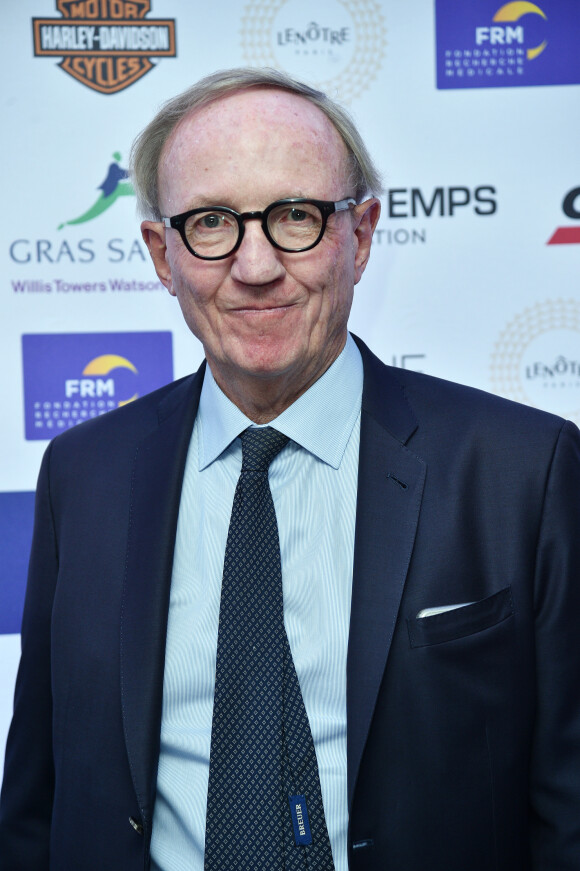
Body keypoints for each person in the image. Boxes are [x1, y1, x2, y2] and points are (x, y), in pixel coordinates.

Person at [1, 67, 579, 871]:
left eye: (296, 216)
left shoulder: (525, 469)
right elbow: (37, 798)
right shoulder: (83, 474)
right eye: (209, 222)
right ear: (162, 255)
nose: (256, 264)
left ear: (363, 234)